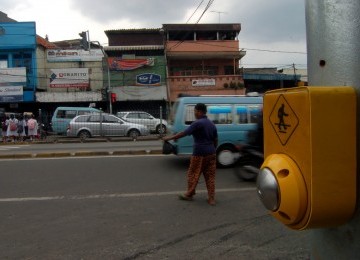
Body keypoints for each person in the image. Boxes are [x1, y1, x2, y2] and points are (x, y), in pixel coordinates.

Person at [162, 103, 218, 206]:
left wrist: (168, 138)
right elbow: (215, 140)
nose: (194, 113)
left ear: (199, 111)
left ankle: (189, 194)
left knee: (193, 174)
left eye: (195, 111)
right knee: (210, 177)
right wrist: (213, 150)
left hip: (199, 154)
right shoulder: (211, 124)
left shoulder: (197, 123)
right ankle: (211, 199)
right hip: (211, 154)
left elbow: (184, 133)